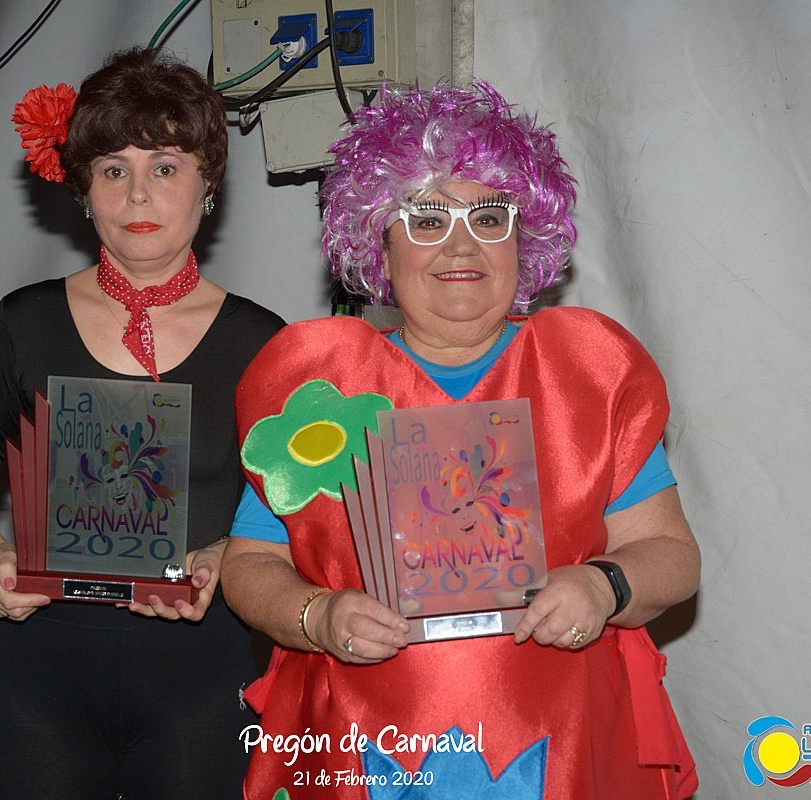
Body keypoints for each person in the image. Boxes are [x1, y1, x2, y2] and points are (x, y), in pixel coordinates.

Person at [221, 81, 700, 799]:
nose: (461, 244)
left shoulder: (585, 375)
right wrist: (316, 615)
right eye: (425, 220)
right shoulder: (319, 393)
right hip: (362, 752)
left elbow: (672, 553)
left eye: (489, 216)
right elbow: (250, 565)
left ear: (524, 239)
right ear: (379, 244)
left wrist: (605, 585)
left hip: (564, 749)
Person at [0, 47, 283, 799]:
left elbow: (295, 502)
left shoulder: (264, 343)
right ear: (84, 190)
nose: (138, 193)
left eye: (165, 166)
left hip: (200, 679)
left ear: (207, 185)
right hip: (41, 677)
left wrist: (228, 550)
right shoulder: (24, 323)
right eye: (114, 169)